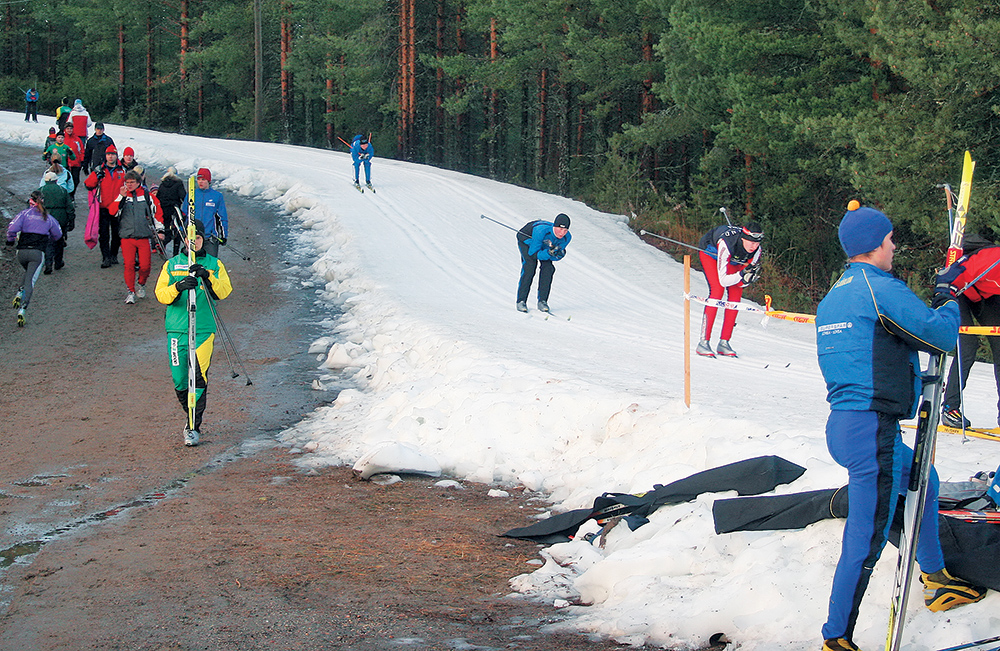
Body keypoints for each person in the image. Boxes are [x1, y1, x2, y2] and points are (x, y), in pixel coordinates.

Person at [815, 202, 985, 651]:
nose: (894, 246)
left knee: (923, 478)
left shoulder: (837, 293)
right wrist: (949, 300)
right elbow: (941, 336)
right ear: (874, 245)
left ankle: (935, 578)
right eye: (890, 239)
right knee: (865, 538)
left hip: (848, 426)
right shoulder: (876, 287)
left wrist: (933, 308)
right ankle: (836, 638)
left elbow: (897, 334)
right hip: (871, 431)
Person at [154, 220, 233, 446]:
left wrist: (207, 276)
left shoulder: (214, 264)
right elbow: (161, 294)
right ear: (184, 240)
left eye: (197, 238)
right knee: (180, 379)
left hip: (203, 329)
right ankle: (188, 413)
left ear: (202, 239)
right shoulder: (172, 265)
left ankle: (192, 426)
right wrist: (178, 287)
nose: (194, 242)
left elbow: (224, 291)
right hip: (177, 330)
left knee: (197, 376)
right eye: (190, 238)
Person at [941, 235, 1000, 429]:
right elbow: (952, 274)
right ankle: (950, 407)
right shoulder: (991, 259)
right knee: (967, 345)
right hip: (957, 288)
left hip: (984, 294)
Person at [695, 222, 764, 358]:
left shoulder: (757, 251)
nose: (753, 246)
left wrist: (746, 279)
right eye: (750, 242)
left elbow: (742, 283)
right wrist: (742, 274)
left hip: (733, 260)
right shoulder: (727, 243)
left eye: (756, 243)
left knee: (736, 296)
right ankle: (703, 342)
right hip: (710, 253)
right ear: (743, 238)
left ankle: (724, 342)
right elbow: (723, 280)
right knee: (717, 291)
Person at [5, 191, 62, 327]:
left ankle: (19, 292)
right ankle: (23, 309)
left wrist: (10, 241)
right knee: (31, 279)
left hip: (21, 252)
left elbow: (12, 228)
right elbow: (58, 235)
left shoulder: (23, 214)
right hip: (37, 253)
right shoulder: (48, 218)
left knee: (28, 272)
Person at [110, 171, 161, 304]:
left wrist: (160, 230)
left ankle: (141, 284)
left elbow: (157, 213)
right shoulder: (123, 196)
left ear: (138, 183)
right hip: (127, 237)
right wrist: (120, 197)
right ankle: (130, 292)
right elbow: (112, 211)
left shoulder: (147, 196)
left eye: (132, 182)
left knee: (145, 266)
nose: (129, 185)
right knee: (129, 265)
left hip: (144, 236)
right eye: (127, 182)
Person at [515, 213, 571, 313]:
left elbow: (555, 256)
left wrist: (557, 254)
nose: (562, 233)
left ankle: (542, 301)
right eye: (560, 229)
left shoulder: (567, 237)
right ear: (554, 226)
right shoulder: (541, 231)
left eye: (565, 230)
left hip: (544, 245)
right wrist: (548, 252)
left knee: (548, 269)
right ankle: (521, 301)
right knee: (530, 266)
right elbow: (533, 254)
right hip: (528, 240)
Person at [83, 144, 126, 267]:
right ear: (105, 156)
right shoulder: (99, 169)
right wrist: (96, 177)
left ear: (116, 155)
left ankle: (113, 255)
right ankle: (105, 257)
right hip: (103, 207)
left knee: (117, 233)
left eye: (112, 154)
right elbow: (88, 185)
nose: (110, 156)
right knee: (104, 234)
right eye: (108, 154)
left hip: (118, 206)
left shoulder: (122, 170)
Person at [182, 167, 228, 257]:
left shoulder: (217, 196)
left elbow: (222, 217)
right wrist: (182, 231)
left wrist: (223, 235)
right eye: (198, 179)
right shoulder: (191, 195)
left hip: (210, 238)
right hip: (193, 237)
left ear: (208, 180)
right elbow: (184, 214)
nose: (200, 182)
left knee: (210, 265)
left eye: (203, 179)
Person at [38, 170, 75, 273]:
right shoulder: (62, 190)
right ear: (56, 180)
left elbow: (33, 206)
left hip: (45, 218)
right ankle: (58, 262)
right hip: (60, 218)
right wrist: (71, 220)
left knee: (48, 242)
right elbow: (69, 207)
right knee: (59, 240)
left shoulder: (40, 190)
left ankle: (48, 263)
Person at [156, 167, 187, 256]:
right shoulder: (178, 183)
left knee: (166, 229)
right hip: (174, 210)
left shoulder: (162, 184)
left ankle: (162, 244)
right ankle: (175, 253)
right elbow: (183, 197)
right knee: (177, 230)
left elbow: (158, 197)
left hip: (163, 210)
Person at [61, 121, 86, 198]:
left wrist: (82, 160)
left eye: (71, 129)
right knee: (64, 181)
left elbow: (81, 150)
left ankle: (71, 196)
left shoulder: (77, 139)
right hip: (65, 164)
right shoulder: (62, 138)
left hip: (76, 163)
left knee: (75, 180)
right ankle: (64, 196)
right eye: (68, 128)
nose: (69, 130)